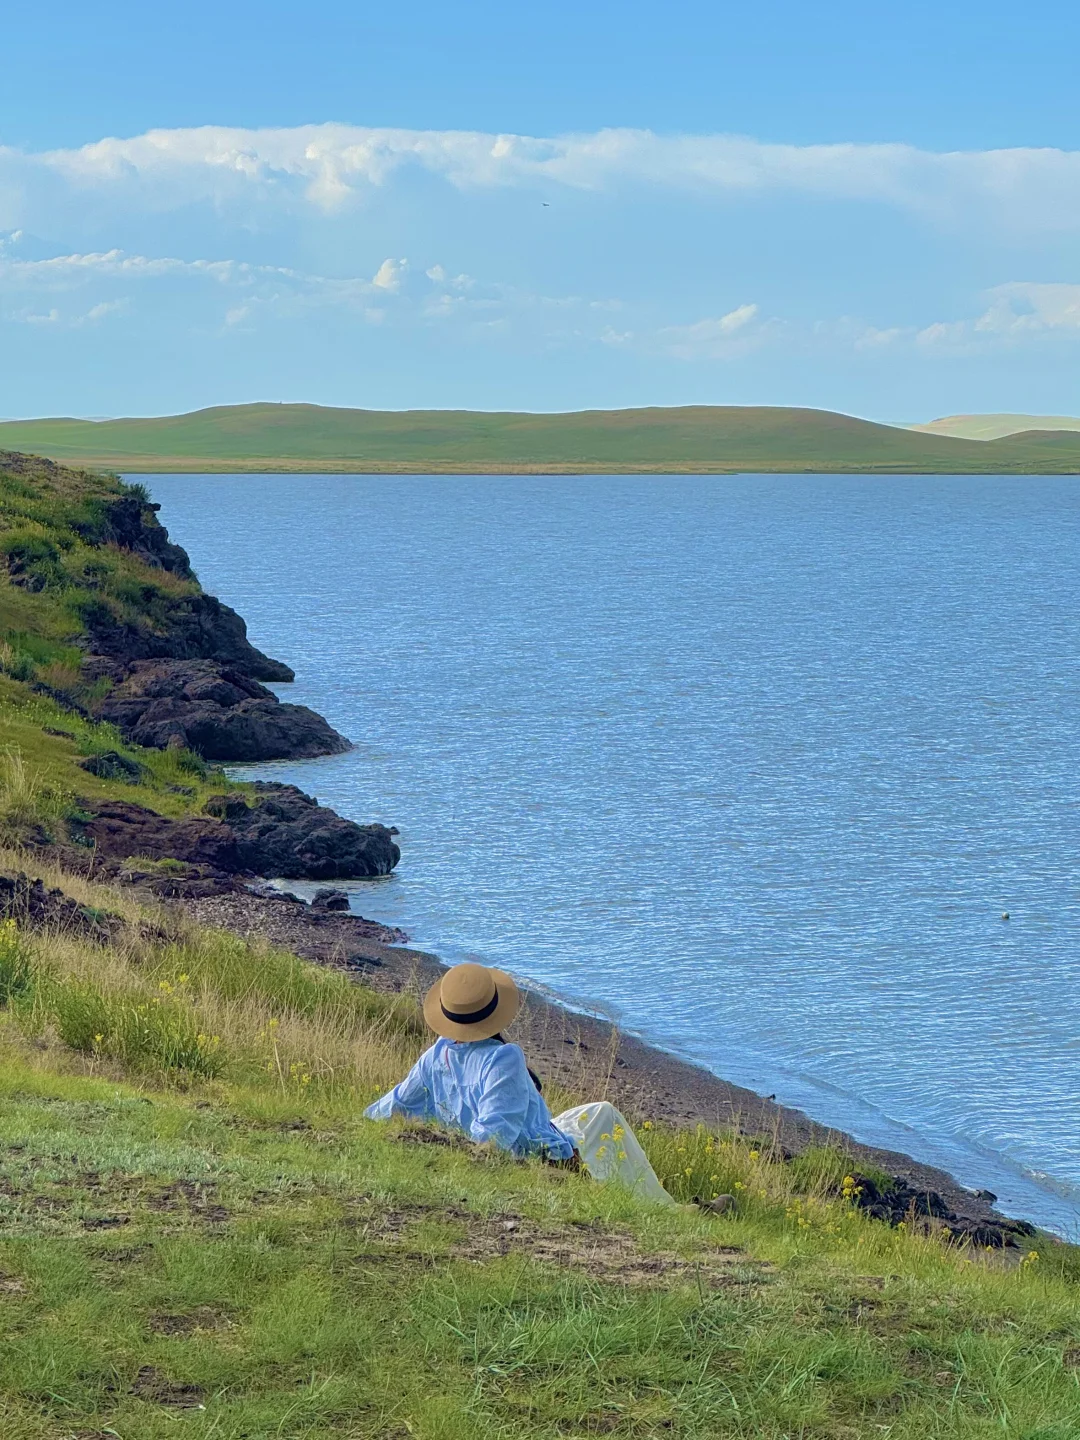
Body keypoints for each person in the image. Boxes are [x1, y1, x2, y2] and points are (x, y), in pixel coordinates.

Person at [365, 961, 673, 1205]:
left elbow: (396, 1104)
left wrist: (362, 1127)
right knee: (605, 1120)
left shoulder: (438, 1054)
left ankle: (654, 1201)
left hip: (528, 1137)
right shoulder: (502, 1057)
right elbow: (494, 1137)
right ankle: (661, 1208)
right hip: (538, 1155)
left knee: (601, 1113)